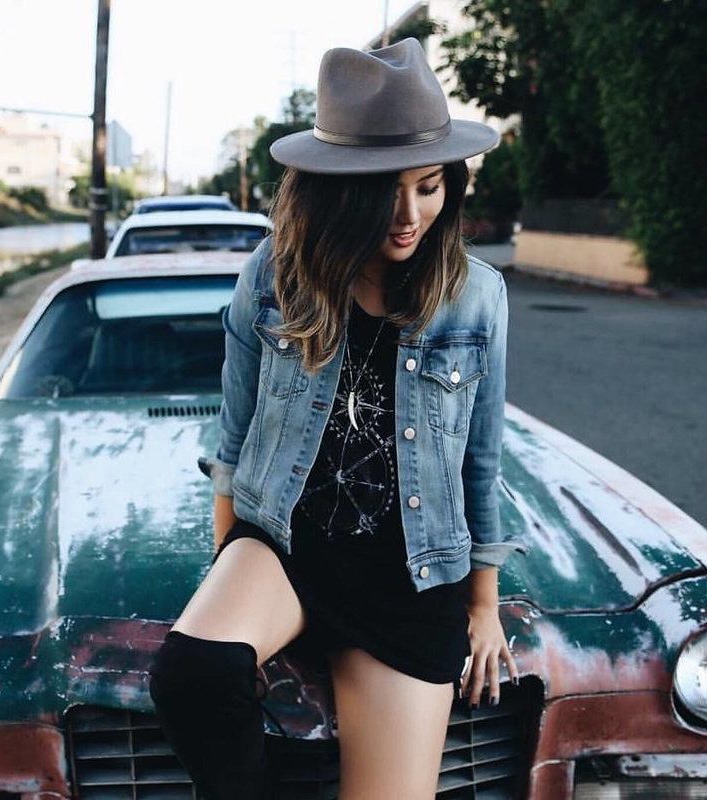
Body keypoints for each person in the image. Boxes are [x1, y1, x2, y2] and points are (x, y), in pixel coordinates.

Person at [149, 37, 521, 800]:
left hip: (408, 578)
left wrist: (483, 604)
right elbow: (236, 434)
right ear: (337, 189)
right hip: (284, 545)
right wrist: (228, 572)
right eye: (386, 189)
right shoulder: (273, 277)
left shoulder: (477, 296)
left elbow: (481, 460)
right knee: (194, 673)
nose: (410, 213)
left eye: (429, 186)